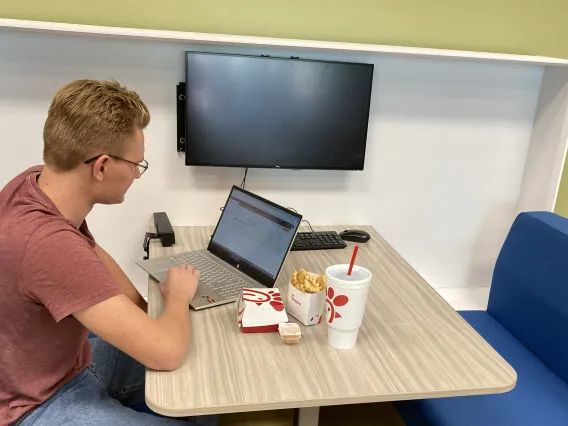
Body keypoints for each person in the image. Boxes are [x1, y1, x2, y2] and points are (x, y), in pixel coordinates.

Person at [0, 80, 215, 426]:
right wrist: (176, 297)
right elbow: (166, 353)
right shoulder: (47, 242)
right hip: (34, 406)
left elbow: (90, 252)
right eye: (136, 165)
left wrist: (145, 314)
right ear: (100, 167)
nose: (136, 175)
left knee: (203, 385)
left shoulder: (37, 184)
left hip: (66, 367)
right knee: (179, 358)